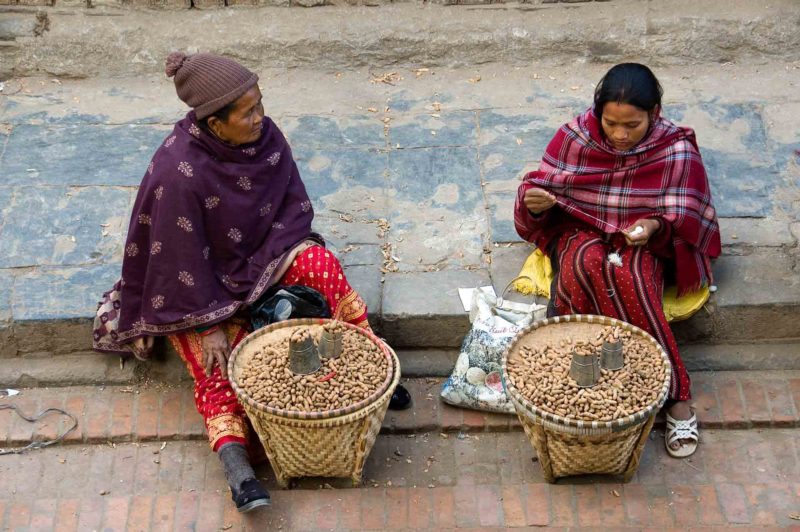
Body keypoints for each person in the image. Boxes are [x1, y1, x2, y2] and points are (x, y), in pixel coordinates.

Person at [92, 52, 410, 512]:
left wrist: (266, 269)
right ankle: (237, 467)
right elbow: (174, 263)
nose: (260, 118)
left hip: (262, 258)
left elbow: (289, 207)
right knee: (217, 363)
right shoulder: (176, 172)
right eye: (248, 113)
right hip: (196, 290)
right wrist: (208, 324)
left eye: (260, 104)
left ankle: (373, 354)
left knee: (322, 266)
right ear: (215, 125)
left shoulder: (266, 139)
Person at [514, 63, 721, 459]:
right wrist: (535, 204)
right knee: (583, 266)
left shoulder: (674, 150)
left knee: (632, 279)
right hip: (580, 230)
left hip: (642, 242)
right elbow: (542, 194)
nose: (620, 135)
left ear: (654, 114)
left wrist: (653, 225)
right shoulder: (575, 137)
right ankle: (576, 377)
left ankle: (675, 393)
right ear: (597, 114)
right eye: (611, 123)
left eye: (633, 124)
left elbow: (688, 217)